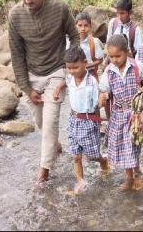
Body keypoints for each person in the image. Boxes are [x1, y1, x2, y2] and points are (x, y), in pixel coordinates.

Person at [8, 0, 79, 185]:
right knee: (40, 122)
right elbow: (17, 54)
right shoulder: (15, 15)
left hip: (57, 71)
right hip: (31, 75)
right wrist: (27, 89)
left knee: (49, 123)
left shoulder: (60, 7)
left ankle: (44, 172)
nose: (27, 1)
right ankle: (54, 147)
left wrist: (69, 70)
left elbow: (75, 37)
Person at [53, 47, 109, 195]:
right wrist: (58, 87)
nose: (72, 71)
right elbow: (65, 81)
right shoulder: (70, 78)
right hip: (73, 119)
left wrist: (101, 102)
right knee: (76, 155)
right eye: (69, 68)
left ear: (85, 63)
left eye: (75, 67)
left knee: (91, 155)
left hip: (88, 121)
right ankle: (81, 183)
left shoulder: (92, 82)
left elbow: (98, 103)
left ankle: (103, 161)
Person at [99, 34, 143, 190]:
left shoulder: (136, 66)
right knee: (126, 146)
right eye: (111, 56)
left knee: (135, 144)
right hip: (119, 115)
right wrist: (104, 96)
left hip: (136, 114)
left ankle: (136, 170)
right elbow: (104, 91)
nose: (114, 60)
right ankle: (130, 178)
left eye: (118, 56)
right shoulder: (108, 72)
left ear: (127, 52)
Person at [74, 12, 104, 81]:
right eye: (80, 25)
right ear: (75, 26)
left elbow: (100, 59)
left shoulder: (94, 41)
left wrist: (89, 65)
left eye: (86, 25)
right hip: (75, 73)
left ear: (90, 26)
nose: (83, 28)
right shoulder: (72, 42)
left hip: (91, 73)